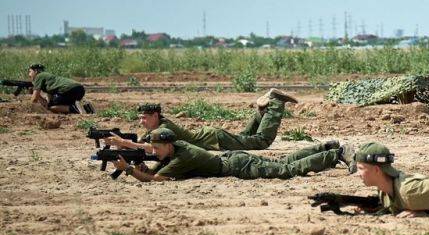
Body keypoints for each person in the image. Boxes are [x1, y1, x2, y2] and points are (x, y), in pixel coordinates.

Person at [113, 127, 352, 181]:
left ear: (168, 145)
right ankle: (326, 146)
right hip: (234, 159)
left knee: (287, 170)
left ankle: (336, 153)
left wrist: (130, 170)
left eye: (156, 148)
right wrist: (141, 168)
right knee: (283, 162)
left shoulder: (183, 156)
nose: (153, 152)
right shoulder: (178, 149)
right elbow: (156, 171)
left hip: (237, 166)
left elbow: (157, 180)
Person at [104, 89, 296, 153]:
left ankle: (275, 102)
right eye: (140, 118)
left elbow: (151, 148)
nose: (141, 122)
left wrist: (123, 143)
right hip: (212, 137)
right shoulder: (159, 126)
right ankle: (262, 110)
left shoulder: (162, 128)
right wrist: (125, 144)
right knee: (248, 138)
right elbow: (143, 144)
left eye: (144, 118)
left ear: (155, 116)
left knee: (260, 141)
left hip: (214, 141)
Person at [27, 63, 92, 114]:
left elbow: (34, 99)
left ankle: (74, 109)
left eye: (30, 72)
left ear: (35, 71)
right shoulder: (47, 77)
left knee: (53, 107)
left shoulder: (39, 76)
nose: (29, 74)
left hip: (69, 90)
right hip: (79, 88)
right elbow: (48, 101)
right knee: (52, 105)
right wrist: (42, 100)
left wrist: (29, 110)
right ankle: (85, 107)